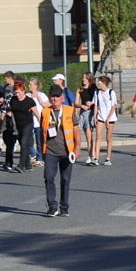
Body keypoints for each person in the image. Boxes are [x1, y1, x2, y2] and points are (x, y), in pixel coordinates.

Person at [41, 84, 81, 217]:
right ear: (50, 98)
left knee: (65, 179)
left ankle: (64, 206)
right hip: (50, 150)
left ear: (62, 97)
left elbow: (76, 130)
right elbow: (42, 132)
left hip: (67, 151)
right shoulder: (45, 112)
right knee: (48, 177)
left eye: (57, 96)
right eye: (53, 96)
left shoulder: (69, 111)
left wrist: (77, 147)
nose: (55, 98)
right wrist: (42, 150)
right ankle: (52, 206)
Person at [4, 80, 37, 172]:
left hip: (28, 124)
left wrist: (43, 126)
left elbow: (37, 114)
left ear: (23, 91)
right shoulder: (13, 100)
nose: (17, 94)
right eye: (16, 92)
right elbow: (9, 109)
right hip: (17, 125)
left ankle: (21, 165)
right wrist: (9, 113)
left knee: (24, 143)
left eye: (19, 92)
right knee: (22, 144)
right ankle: (28, 165)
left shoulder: (29, 101)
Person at [91, 75, 118, 165]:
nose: (98, 83)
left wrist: (108, 118)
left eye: (99, 82)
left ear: (104, 83)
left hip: (110, 117)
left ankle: (108, 158)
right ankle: (96, 158)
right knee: (98, 137)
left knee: (108, 138)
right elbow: (96, 105)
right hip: (100, 117)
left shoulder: (111, 92)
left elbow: (113, 106)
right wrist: (95, 116)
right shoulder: (97, 92)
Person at [77, 72, 96, 163]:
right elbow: (75, 103)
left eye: (86, 77)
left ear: (89, 79)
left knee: (89, 136)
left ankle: (91, 156)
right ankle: (92, 155)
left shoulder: (93, 88)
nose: (84, 79)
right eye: (83, 77)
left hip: (91, 112)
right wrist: (81, 105)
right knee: (87, 135)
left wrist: (92, 103)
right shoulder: (80, 90)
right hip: (83, 112)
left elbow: (98, 99)